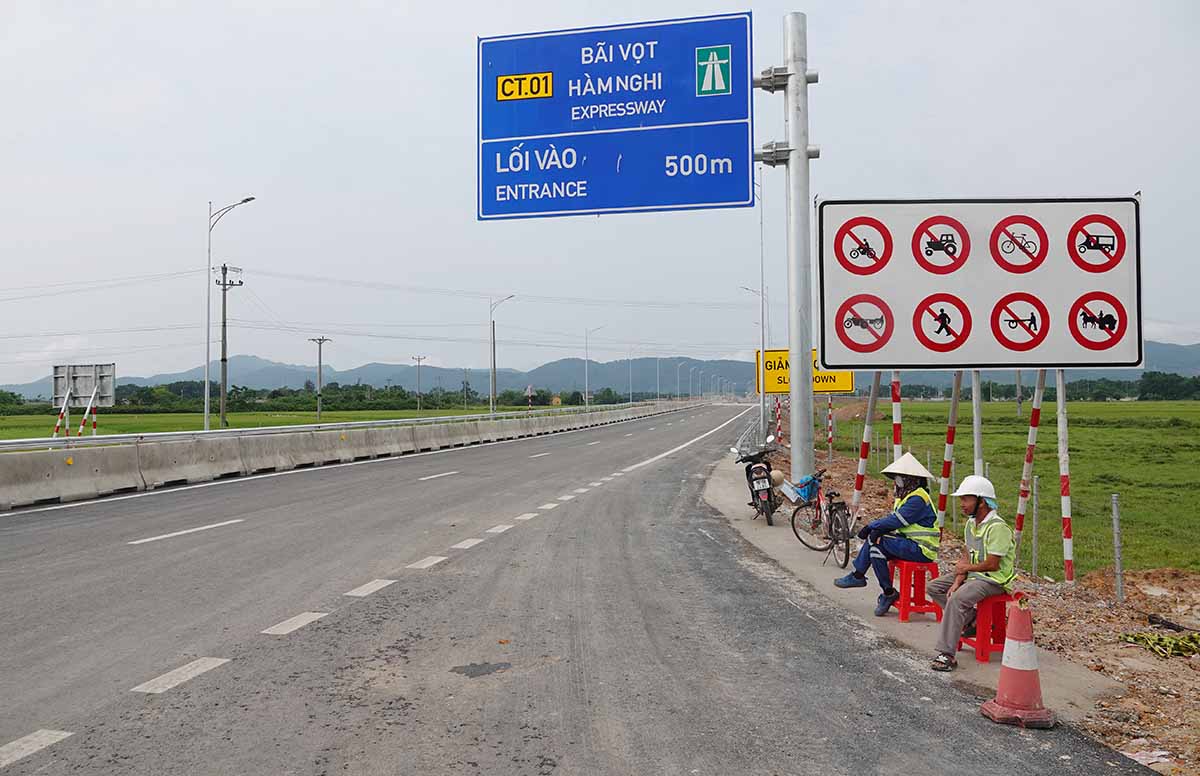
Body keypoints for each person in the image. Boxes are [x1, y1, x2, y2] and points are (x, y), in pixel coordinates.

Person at [834, 453, 941, 616]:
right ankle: (889, 592)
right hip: (908, 543)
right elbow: (892, 521)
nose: (897, 483)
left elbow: (896, 521)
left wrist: (871, 527)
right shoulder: (907, 496)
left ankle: (858, 575)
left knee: (877, 540)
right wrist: (877, 529)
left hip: (921, 549)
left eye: (900, 479)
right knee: (875, 548)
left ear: (910, 480)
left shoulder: (918, 499)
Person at [928, 475, 1016, 672]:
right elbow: (967, 556)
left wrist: (965, 571)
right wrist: (959, 579)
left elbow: (993, 564)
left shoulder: (998, 528)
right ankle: (973, 619)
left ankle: (947, 654)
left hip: (994, 580)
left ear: (982, 502)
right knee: (934, 587)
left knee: (957, 600)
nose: (962, 504)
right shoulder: (971, 524)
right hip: (975, 575)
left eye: (966, 499)